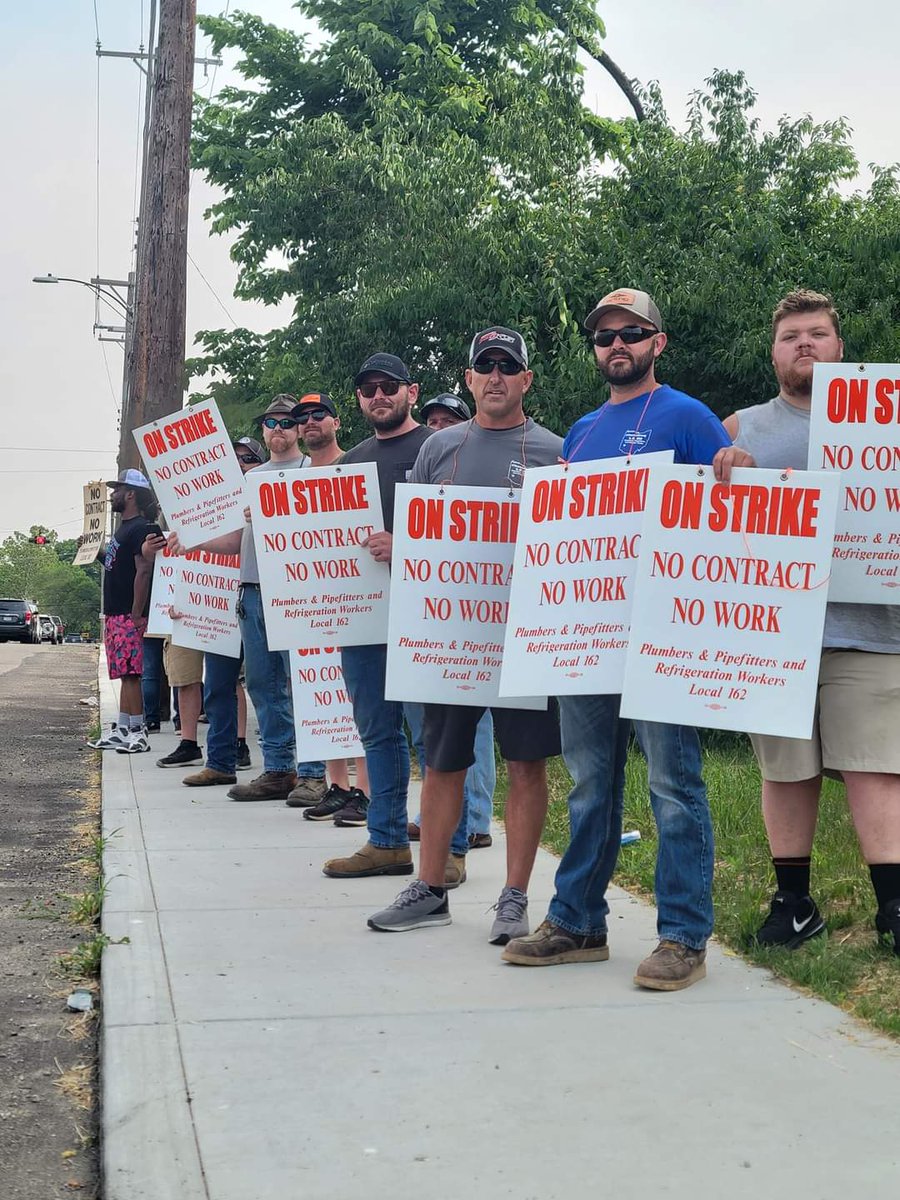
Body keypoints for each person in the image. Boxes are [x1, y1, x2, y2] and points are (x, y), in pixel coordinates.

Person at [501, 289, 736, 989]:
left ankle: (684, 935)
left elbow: (734, 509)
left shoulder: (688, 416)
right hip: (588, 633)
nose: (617, 346)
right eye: (605, 336)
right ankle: (577, 921)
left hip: (664, 632)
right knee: (590, 785)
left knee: (673, 783)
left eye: (632, 333)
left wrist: (738, 468)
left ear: (657, 343)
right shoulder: (579, 432)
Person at [715, 288, 900, 955]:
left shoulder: (888, 419)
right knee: (785, 771)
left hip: (870, 629)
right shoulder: (737, 430)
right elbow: (693, 524)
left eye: (817, 333)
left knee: (876, 767)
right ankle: (794, 905)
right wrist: (721, 473)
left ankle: (894, 909)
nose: (805, 344)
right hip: (774, 635)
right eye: (791, 335)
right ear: (773, 353)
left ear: (839, 345)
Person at [367, 327, 563, 940]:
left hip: (525, 639)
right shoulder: (438, 449)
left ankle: (514, 896)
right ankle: (429, 887)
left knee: (526, 766)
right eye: (487, 367)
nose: (498, 376)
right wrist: (398, 546)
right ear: (470, 379)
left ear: (527, 379)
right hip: (452, 639)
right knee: (443, 763)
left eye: (509, 366)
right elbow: (415, 543)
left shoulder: (558, 452)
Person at [322, 354, 471, 882]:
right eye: (367, 390)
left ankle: (448, 850)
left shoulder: (444, 448)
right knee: (375, 733)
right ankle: (386, 840)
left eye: (388, 387)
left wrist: (404, 545)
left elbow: (468, 532)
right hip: (361, 619)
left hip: (428, 617)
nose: (378, 396)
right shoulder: (349, 463)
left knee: (434, 737)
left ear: (412, 391)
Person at [160, 399, 327, 801]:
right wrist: (193, 543)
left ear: (299, 429)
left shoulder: (313, 471)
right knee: (262, 684)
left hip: (296, 591)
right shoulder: (251, 479)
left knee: (303, 683)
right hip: (252, 592)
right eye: (271, 423)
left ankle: (313, 772)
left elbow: (325, 530)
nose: (279, 430)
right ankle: (278, 769)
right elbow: (237, 541)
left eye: (287, 423)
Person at [407, 391, 496, 848]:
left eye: (449, 418)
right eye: (433, 420)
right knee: (443, 734)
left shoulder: (540, 450)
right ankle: (437, 821)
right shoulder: (433, 456)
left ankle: (477, 821)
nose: (439, 426)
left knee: (480, 730)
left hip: (499, 615)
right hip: (443, 612)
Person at [281, 392, 372, 824]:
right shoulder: (289, 481)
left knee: (362, 700)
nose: (310, 421)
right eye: (303, 417)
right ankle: (337, 786)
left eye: (319, 414)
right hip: (310, 603)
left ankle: (367, 791)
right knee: (322, 695)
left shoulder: (356, 465)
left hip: (355, 600)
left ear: (337, 421)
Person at [88, 469, 157, 754]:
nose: (113, 494)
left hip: (128, 614)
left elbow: (143, 570)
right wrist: (98, 553)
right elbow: (117, 566)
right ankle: (123, 728)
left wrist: (137, 613)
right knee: (123, 673)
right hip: (116, 613)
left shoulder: (143, 527)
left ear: (131, 494)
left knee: (131, 673)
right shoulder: (124, 528)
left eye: (117, 490)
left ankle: (138, 732)